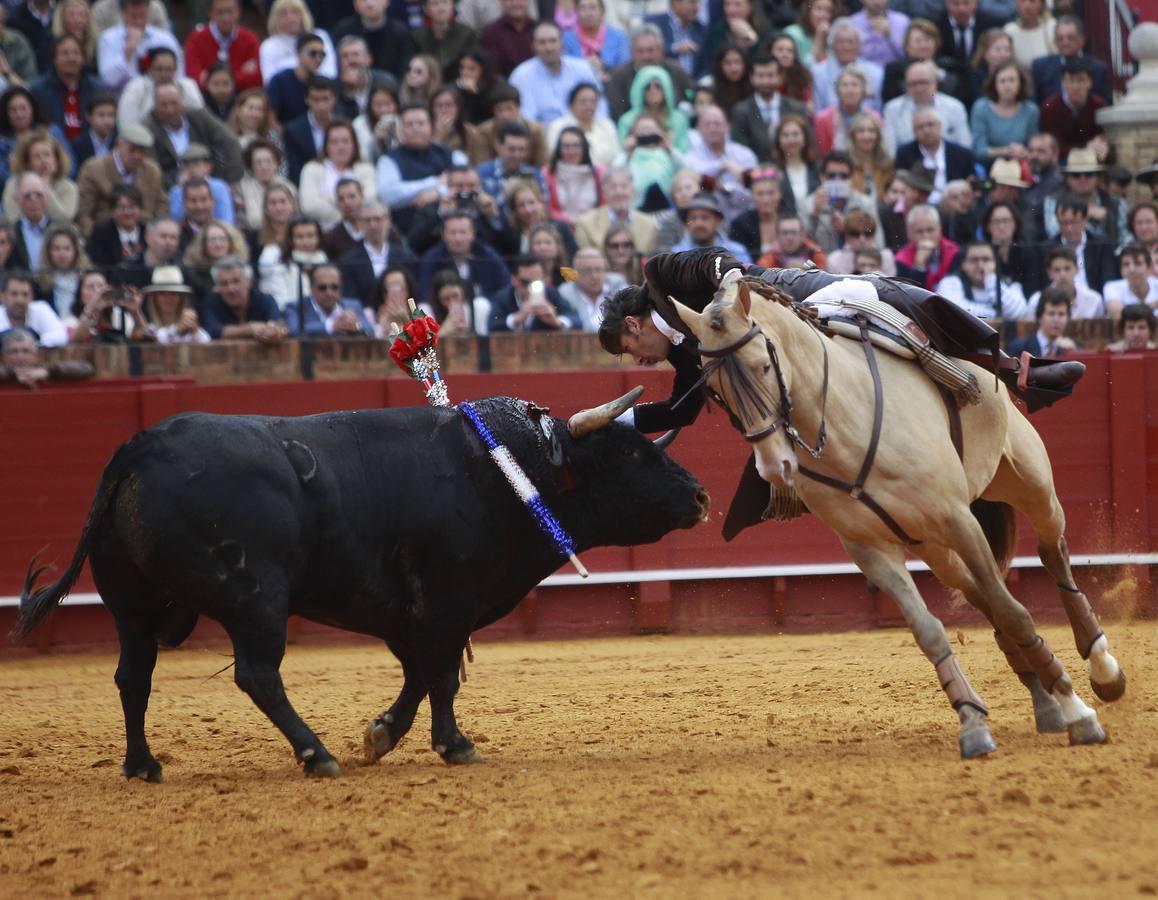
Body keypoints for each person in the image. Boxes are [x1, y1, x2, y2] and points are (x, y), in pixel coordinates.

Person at [375, 103, 465, 231]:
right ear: (400, 129)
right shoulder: (388, 160)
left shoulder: (453, 156)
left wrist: (439, 193)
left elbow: (468, 190)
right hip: (408, 231)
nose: (415, 129)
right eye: (409, 124)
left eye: (421, 123)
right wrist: (435, 183)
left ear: (431, 126)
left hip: (453, 229)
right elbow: (388, 195)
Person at [145, 83, 244, 192]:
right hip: (172, 188)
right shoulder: (148, 129)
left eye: (174, 103)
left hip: (210, 180)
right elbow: (151, 170)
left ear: (183, 102)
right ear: (155, 106)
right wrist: (177, 181)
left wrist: (232, 181)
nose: (170, 110)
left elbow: (230, 141)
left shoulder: (199, 117)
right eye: (163, 105)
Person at [605, 23, 694, 123]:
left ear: (661, 50)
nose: (646, 56)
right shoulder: (619, 76)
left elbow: (689, 100)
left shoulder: (676, 71)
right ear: (631, 52)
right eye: (640, 51)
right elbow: (617, 113)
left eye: (650, 50)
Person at [415, 209, 510, 303]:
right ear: (443, 235)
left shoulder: (487, 254)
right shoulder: (432, 258)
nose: (458, 238)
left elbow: (504, 287)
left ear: (473, 234)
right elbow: (425, 293)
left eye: (463, 232)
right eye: (453, 233)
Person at [684, 104, 756, 223]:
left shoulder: (744, 154)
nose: (712, 128)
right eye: (707, 124)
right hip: (706, 223)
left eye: (717, 124)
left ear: (727, 126)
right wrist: (724, 165)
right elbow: (695, 175)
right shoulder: (691, 157)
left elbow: (752, 195)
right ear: (698, 129)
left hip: (743, 220)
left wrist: (726, 190)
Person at [882, 59, 971, 155]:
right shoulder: (892, 109)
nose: (919, 88)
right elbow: (890, 150)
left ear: (935, 83)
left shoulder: (955, 107)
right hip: (907, 164)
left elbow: (965, 146)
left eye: (924, 82)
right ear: (906, 86)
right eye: (913, 84)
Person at [800, 150, 881, 253]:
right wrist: (815, 214)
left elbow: (878, 243)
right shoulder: (808, 203)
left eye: (843, 176)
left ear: (851, 178)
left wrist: (847, 229)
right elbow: (802, 245)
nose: (837, 180)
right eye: (831, 176)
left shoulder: (865, 203)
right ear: (822, 177)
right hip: (820, 264)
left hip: (856, 263)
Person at [299, 120, 376, 229]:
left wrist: (330, 200)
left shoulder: (366, 169)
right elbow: (309, 206)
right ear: (326, 145)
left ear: (354, 144)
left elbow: (370, 199)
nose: (341, 147)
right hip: (324, 232)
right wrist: (346, 216)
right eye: (334, 142)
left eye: (345, 141)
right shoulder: (311, 169)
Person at [336, 200, 418, 301]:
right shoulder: (348, 262)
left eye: (377, 219)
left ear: (388, 221)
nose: (373, 225)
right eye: (367, 220)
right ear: (359, 223)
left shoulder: (406, 257)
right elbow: (350, 299)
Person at [96, 0, 183, 93]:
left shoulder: (165, 39)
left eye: (142, 16)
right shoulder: (108, 38)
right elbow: (108, 80)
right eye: (133, 17)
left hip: (161, 96)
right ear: (123, 14)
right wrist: (128, 52)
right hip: (121, 97)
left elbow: (180, 76)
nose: (138, 21)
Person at [199, 255, 288, 342]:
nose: (231, 289)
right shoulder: (210, 303)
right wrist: (250, 329)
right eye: (224, 283)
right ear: (217, 286)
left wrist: (273, 332)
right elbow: (212, 331)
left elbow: (279, 325)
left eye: (236, 281)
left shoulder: (264, 300)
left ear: (248, 282)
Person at [115, 47, 205, 132]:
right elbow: (127, 124)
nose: (164, 74)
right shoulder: (135, 87)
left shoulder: (188, 85)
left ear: (176, 69)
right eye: (159, 69)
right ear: (150, 69)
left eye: (169, 69)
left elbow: (200, 117)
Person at [1047, 192, 1119, 296]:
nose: (1069, 228)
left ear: (1085, 220)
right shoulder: (1047, 248)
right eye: (1064, 223)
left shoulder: (1102, 246)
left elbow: (1108, 283)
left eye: (1074, 222)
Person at [938, 240, 1030, 320]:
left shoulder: (1010, 284)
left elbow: (1019, 313)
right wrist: (997, 314)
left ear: (995, 263)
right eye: (974, 260)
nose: (980, 265)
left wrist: (991, 281)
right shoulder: (950, 282)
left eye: (986, 259)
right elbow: (952, 310)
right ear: (963, 264)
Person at [573, 167, 659, 254]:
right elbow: (583, 262)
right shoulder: (585, 223)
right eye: (613, 187)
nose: (619, 192)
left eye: (624, 186)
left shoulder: (649, 224)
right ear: (604, 192)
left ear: (633, 191)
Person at [1029, 16, 1111, 106]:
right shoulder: (1041, 67)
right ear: (1055, 41)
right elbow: (1036, 103)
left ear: (1082, 40)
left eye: (1070, 38)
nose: (1065, 43)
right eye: (1060, 38)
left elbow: (1104, 104)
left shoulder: (1097, 68)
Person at [184, 0, 262, 93]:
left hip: (242, 99)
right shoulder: (195, 40)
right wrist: (241, 74)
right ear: (210, 13)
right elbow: (193, 78)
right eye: (220, 12)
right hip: (205, 100)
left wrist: (211, 79)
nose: (225, 17)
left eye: (230, 11)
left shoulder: (250, 39)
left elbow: (256, 78)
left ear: (238, 12)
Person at [488, 255, 581, 331]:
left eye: (537, 282)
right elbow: (491, 326)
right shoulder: (503, 298)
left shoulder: (552, 295)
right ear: (514, 279)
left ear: (545, 279)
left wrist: (556, 321)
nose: (530, 288)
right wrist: (516, 319)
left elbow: (576, 321)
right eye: (526, 282)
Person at [809, 19, 884, 114]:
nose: (846, 47)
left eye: (851, 42)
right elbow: (818, 110)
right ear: (832, 46)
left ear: (859, 45)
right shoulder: (819, 72)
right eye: (841, 42)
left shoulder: (875, 72)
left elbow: (877, 109)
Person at [1039, 57, 1106, 162]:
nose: (1075, 86)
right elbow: (1053, 147)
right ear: (1063, 82)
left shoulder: (1099, 105)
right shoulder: (1050, 107)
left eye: (1081, 80)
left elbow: (1101, 139)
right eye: (1070, 80)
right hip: (1061, 160)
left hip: (1092, 158)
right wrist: (1085, 147)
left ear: (1090, 82)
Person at [1, 129, 76, 224]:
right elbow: (12, 217)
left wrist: (45, 187)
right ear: (27, 162)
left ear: (56, 159)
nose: (43, 160)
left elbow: (64, 220)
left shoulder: (68, 187)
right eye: (37, 156)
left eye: (47, 155)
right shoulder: (13, 184)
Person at [330, 0, 415, 81]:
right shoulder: (342, 31)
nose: (369, 3)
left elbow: (404, 69)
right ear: (355, 4)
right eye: (363, 0)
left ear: (386, 2)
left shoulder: (401, 33)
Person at [257, 214, 327, 309]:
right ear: (291, 239)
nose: (305, 241)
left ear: (318, 238)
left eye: (310, 236)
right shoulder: (279, 267)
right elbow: (282, 303)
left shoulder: (326, 264)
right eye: (299, 237)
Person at [285, 262, 374, 336]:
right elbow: (294, 330)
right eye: (322, 288)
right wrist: (332, 326)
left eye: (334, 287)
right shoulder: (295, 307)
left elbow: (370, 330)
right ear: (311, 289)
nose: (329, 293)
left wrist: (356, 325)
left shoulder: (353, 305)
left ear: (341, 288)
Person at [260, 0, 338, 85]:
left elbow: (331, 72)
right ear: (275, 18)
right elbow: (269, 81)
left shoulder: (321, 36)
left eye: (295, 12)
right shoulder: (269, 46)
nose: (290, 18)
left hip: (320, 90)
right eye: (283, 14)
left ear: (304, 14)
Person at [617, 64, 690, 153]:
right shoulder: (627, 120)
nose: (653, 91)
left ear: (666, 89)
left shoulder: (678, 119)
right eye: (648, 87)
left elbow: (684, 150)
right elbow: (622, 150)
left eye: (658, 86)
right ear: (640, 90)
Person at [546, 82, 620, 169]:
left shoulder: (607, 125)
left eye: (593, 101)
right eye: (583, 101)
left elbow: (617, 155)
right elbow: (555, 157)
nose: (589, 105)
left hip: (605, 177)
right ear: (571, 104)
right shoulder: (558, 127)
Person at [476, 120, 546, 210]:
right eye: (511, 149)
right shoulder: (481, 174)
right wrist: (504, 196)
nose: (516, 155)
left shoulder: (534, 174)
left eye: (521, 150)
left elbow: (544, 210)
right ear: (498, 146)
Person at [814, 65, 881, 158]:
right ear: (837, 90)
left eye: (854, 85)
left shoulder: (875, 118)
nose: (849, 90)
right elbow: (822, 155)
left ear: (863, 89)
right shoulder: (823, 118)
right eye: (844, 85)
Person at [282, 76, 339, 183]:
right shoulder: (293, 130)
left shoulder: (345, 125)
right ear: (307, 99)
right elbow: (294, 170)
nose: (321, 106)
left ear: (334, 99)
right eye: (315, 100)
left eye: (325, 99)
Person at [266, 32, 330, 126]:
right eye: (313, 53)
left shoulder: (322, 83)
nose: (318, 58)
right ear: (298, 54)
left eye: (322, 54)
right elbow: (270, 118)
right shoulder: (279, 81)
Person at [1027, 245, 1104, 320]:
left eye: (1067, 269)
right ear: (1049, 273)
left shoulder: (1094, 300)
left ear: (1077, 270)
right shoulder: (1036, 302)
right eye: (1057, 270)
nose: (1062, 275)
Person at [0, 325, 93, 385]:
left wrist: (48, 372)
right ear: (3, 356)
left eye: (26, 351)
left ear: (36, 355)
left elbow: (86, 368)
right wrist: (14, 374)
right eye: (13, 351)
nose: (20, 357)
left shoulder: (44, 369)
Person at [563, 0, 630, 83]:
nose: (588, 13)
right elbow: (564, 67)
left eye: (592, 7)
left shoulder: (619, 36)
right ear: (576, 12)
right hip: (576, 84)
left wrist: (606, 71)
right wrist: (585, 64)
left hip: (612, 84)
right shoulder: (566, 38)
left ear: (602, 11)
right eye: (583, 8)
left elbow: (625, 66)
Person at [895, 202, 957, 289]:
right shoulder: (901, 260)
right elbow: (910, 295)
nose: (926, 236)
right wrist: (919, 265)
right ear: (910, 233)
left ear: (940, 229)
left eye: (930, 230)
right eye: (919, 231)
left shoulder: (954, 252)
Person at [142, 265, 210, 344]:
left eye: (174, 293)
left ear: (181, 297)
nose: (168, 299)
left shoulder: (189, 328)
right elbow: (155, 340)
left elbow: (207, 342)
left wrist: (195, 329)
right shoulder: (150, 328)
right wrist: (176, 329)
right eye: (162, 293)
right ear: (154, 298)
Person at [0, 268, 67, 345]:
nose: (20, 300)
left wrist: (33, 344)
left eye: (25, 294)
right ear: (2, 296)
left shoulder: (41, 308)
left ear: (31, 297)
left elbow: (61, 336)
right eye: (14, 294)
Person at [413, 0, 476, 81]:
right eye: (435, 3)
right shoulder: (417, 37)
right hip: (426, 84)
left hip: (459, 85)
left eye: (445, 2)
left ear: (453, 6)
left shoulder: (467, 34)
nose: (441, 8)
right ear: (425, 9)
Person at [645, 0, 707, 78]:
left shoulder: (700, 29)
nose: (697, 7)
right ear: (675, 3)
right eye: (692, 2)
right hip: (662, 83)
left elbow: (706, 66)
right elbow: (646, 53)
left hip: (694, 85)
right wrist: (675, 49)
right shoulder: (654, 24)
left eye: (698, 3)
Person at [1007, 287, 1076, 357]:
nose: (1056, 319)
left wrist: (1072, 353)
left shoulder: (1073, 349)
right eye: (1051, 314)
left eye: (1061, 314)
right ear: (1039, 317)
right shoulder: (1018, 349)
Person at [481, 0, 536, 79]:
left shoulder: (538, 29)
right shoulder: (491, 33)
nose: (515, 3)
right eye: (509, 0)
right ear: (501, 3)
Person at [851, 0, 909, 68]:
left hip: (897, 71)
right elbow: (852, 55)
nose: (877, 1)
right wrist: (875, 36)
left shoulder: (902, 21)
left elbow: (906, 54)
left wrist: (889, 36)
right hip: (863, 71)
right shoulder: (852, 23)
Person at [1102, 244, 1158, 315]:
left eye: (1138, 263)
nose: (1132, 269)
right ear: (1121, 270)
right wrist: (1154, 304)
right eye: (1126, 264)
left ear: (1149, 268)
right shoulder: (1112, 287)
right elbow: (1119, 315)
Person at [1004, 0, 1055, 70]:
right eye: (1022, 1)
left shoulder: (1051, 27)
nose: (1027, 5)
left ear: (1042, 4)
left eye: (1032, 1)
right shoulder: (1009, 30)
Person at [72, 94, 118, 170]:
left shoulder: (119, 143)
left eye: (111, 115)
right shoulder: (78, 145)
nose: (107, 121)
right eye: (101, 115)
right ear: (89, 117)